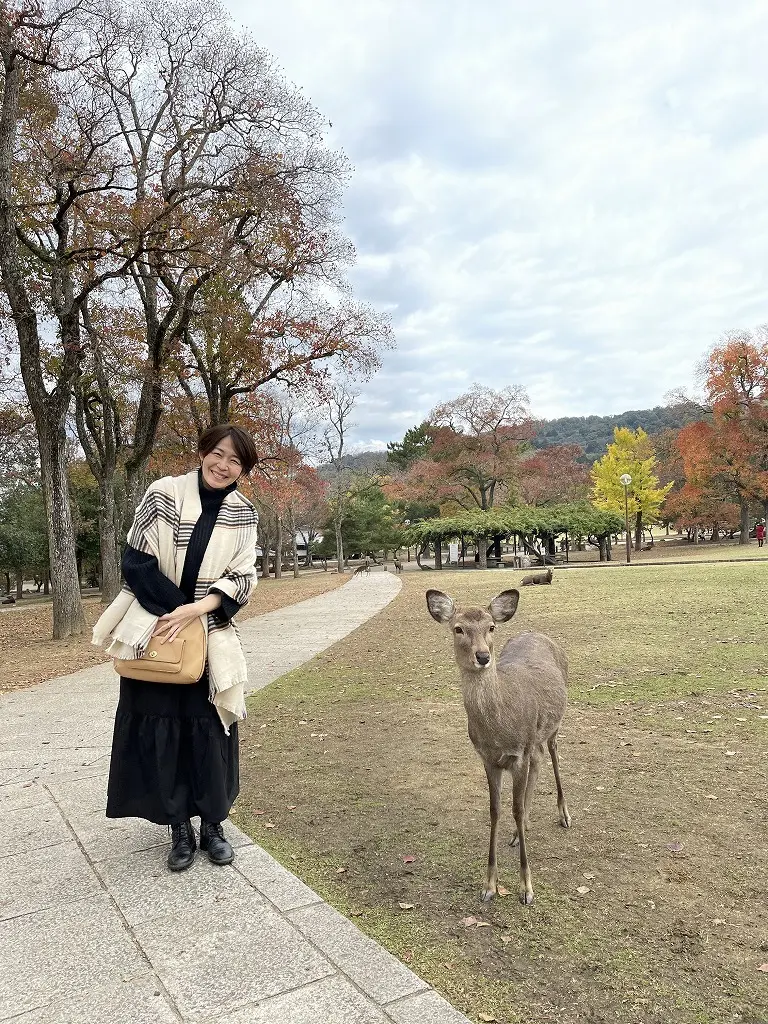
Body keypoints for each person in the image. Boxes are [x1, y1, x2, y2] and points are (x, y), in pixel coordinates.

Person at [93, 424, 259, 871]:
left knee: (210, 728)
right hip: (155, 625)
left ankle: (213, 826)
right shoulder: (163, 493)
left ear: (243, 469)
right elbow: (137, 561)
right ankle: (179, 828)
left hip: (209, 631)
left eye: (235, 461)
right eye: (218, 454)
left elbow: (244, 575)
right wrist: (175, 611)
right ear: (203, 451)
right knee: (161, 728)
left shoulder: (244, 513)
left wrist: (197, 610)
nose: (223, 466)